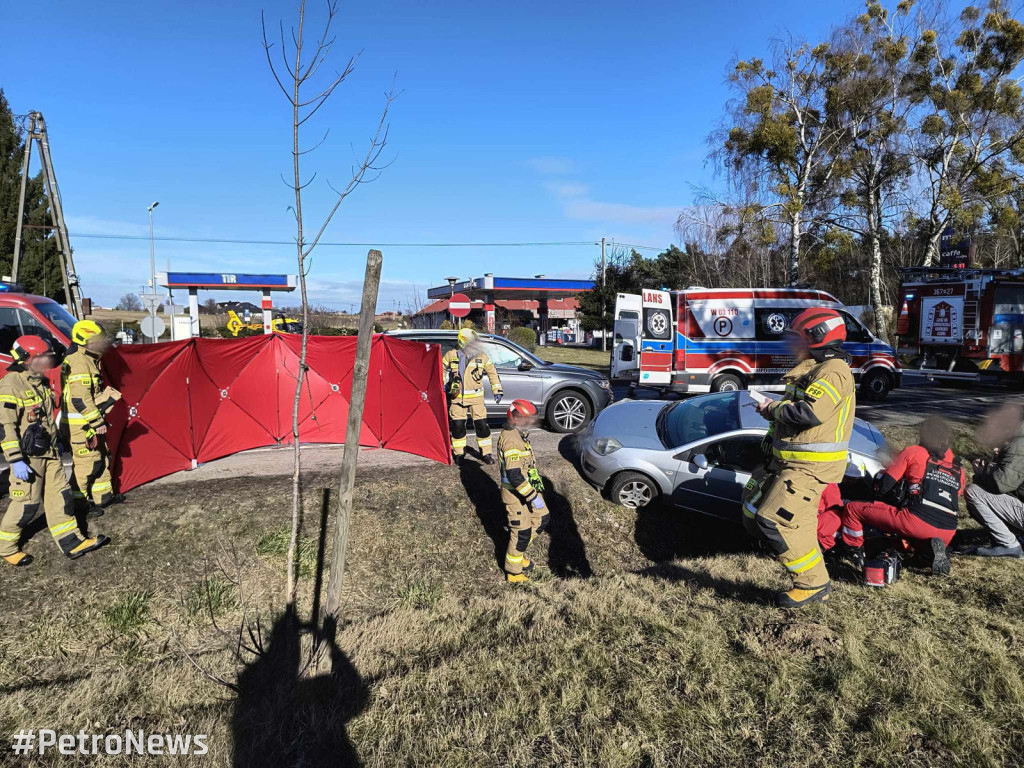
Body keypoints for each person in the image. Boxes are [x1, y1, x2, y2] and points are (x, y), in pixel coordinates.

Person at [743, 307, 855, 607]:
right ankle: (806, 573)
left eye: (797, 339)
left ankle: (812, 583)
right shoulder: (815, 368)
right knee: (762, 513)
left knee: (777, 522)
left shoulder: (833, 371)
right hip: (792, 463)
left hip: (809, 468)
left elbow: (808, 412)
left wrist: (770, 408)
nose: (792, 346)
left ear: (816, 337)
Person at [0, 335, 109, 566]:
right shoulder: (11, 385)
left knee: (60, 497)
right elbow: (5, 427)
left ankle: (71, 541)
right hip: (28, 459)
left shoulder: (40, 382)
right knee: (26, 503)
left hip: (50, 454)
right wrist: (16, 460)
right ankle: (6, 547)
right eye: (42, 357)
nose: (48, 360)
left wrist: (58, 441)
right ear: (26, 359)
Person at [838, 417, 964, 575]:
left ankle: (854, 552)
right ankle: (926, 552)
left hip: (915, 521)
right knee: (915, 529)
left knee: (853, 509)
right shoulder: (958, 468)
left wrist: (875, 501)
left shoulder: (914, 452)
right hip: (948, 530)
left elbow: (885, 485)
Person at [61, 320, 122, 515]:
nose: (102, 343)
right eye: (97, 340)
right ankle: (80, 506)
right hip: (82, 425)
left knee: (101, 458)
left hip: (89, 422)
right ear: (84, 341)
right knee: (86, 465)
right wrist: (96, 422)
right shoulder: (79, 362)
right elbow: (81, 398)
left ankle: (103, 498)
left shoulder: (89, 358)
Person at [497, 399, 549, 583]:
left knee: (542, 517)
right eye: (527, 418)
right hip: (516, 496)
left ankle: (519, 552)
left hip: (528, 491)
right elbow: (514, 475)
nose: (532, 422)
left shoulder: (520, 434)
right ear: (516, 418)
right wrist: (532, 496)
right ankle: (513, 572)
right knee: (521, 532)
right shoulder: (511, 438)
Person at [964, 404, 1024, 558]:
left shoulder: (1019, 444)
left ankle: (1009, 545)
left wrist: (981, 474)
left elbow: (1000, 484)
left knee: (974, 492)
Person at [443, 328, 503, 465]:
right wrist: (444, 383)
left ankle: (486, 453)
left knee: (481, 425)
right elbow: (441, 368)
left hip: (476, 399)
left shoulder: (482, 356)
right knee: (458, 426)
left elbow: (493, 373)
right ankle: (459, 453)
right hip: (457, 398)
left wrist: (497, 390)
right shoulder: (451, 355)